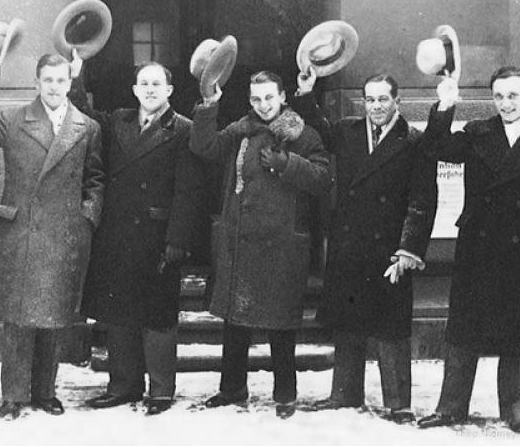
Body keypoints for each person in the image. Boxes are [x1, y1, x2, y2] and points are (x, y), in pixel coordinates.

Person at [416, 67, 520, 434]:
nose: (505, 104)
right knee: (463, 327)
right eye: (499, 96)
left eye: (513, 96)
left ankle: (514, 407)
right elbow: (435, 149)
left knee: (518, 328)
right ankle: (450, 406)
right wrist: (445, 105)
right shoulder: (477, 133)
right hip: (478, 246)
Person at [295, 69, 438, 424]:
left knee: (391, 327)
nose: (376, 106)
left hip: (390, 251)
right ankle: (344, 394)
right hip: (350, 245)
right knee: (347, 322)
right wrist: (305, 92)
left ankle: (398, 403)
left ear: (397, 101)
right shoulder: (348, 131)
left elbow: (423, 199)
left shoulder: (414, 141)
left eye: (383, 99)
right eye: (370, 99)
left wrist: (409, 249)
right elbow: (319, 127)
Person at [189, 70, 331, 419]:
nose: (263, 105)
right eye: (256, 99)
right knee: (235, 322)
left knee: (280, 325)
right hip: (240, 241)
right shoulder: (240, 132)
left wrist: (287, 164)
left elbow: (324, 179)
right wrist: (210, 104)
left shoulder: (303, 134)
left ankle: (285, 394)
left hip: (280, 244)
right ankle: (232, 389)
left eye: (269, 97)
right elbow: (203, 145)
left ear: (283, 97)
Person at [0, 53, 104, 420]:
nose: (54, 87)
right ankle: (12, 396)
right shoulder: (15, 119)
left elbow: (94, 179)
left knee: (54, 317)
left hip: (64, 233)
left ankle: (45, 392)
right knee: (17, 320)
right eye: (47, 80)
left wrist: (86, 218)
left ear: (70, 83)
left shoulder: (87, 127)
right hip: (22, 231)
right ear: (36, 82)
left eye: (61, 80)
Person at [77, 59, 204, 416]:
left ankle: (161, 391)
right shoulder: (117, 121)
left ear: (169, 91)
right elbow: (82, 112)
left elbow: (188, 190)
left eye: (156, 84)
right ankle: (123, 385)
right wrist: (75, 75)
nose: (149, 90)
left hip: (158, 236)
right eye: (143, 84)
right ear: (134, 91)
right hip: (117, 234)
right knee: (119, 315)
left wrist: (177, 241)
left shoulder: (184, 129)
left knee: (158, 316)